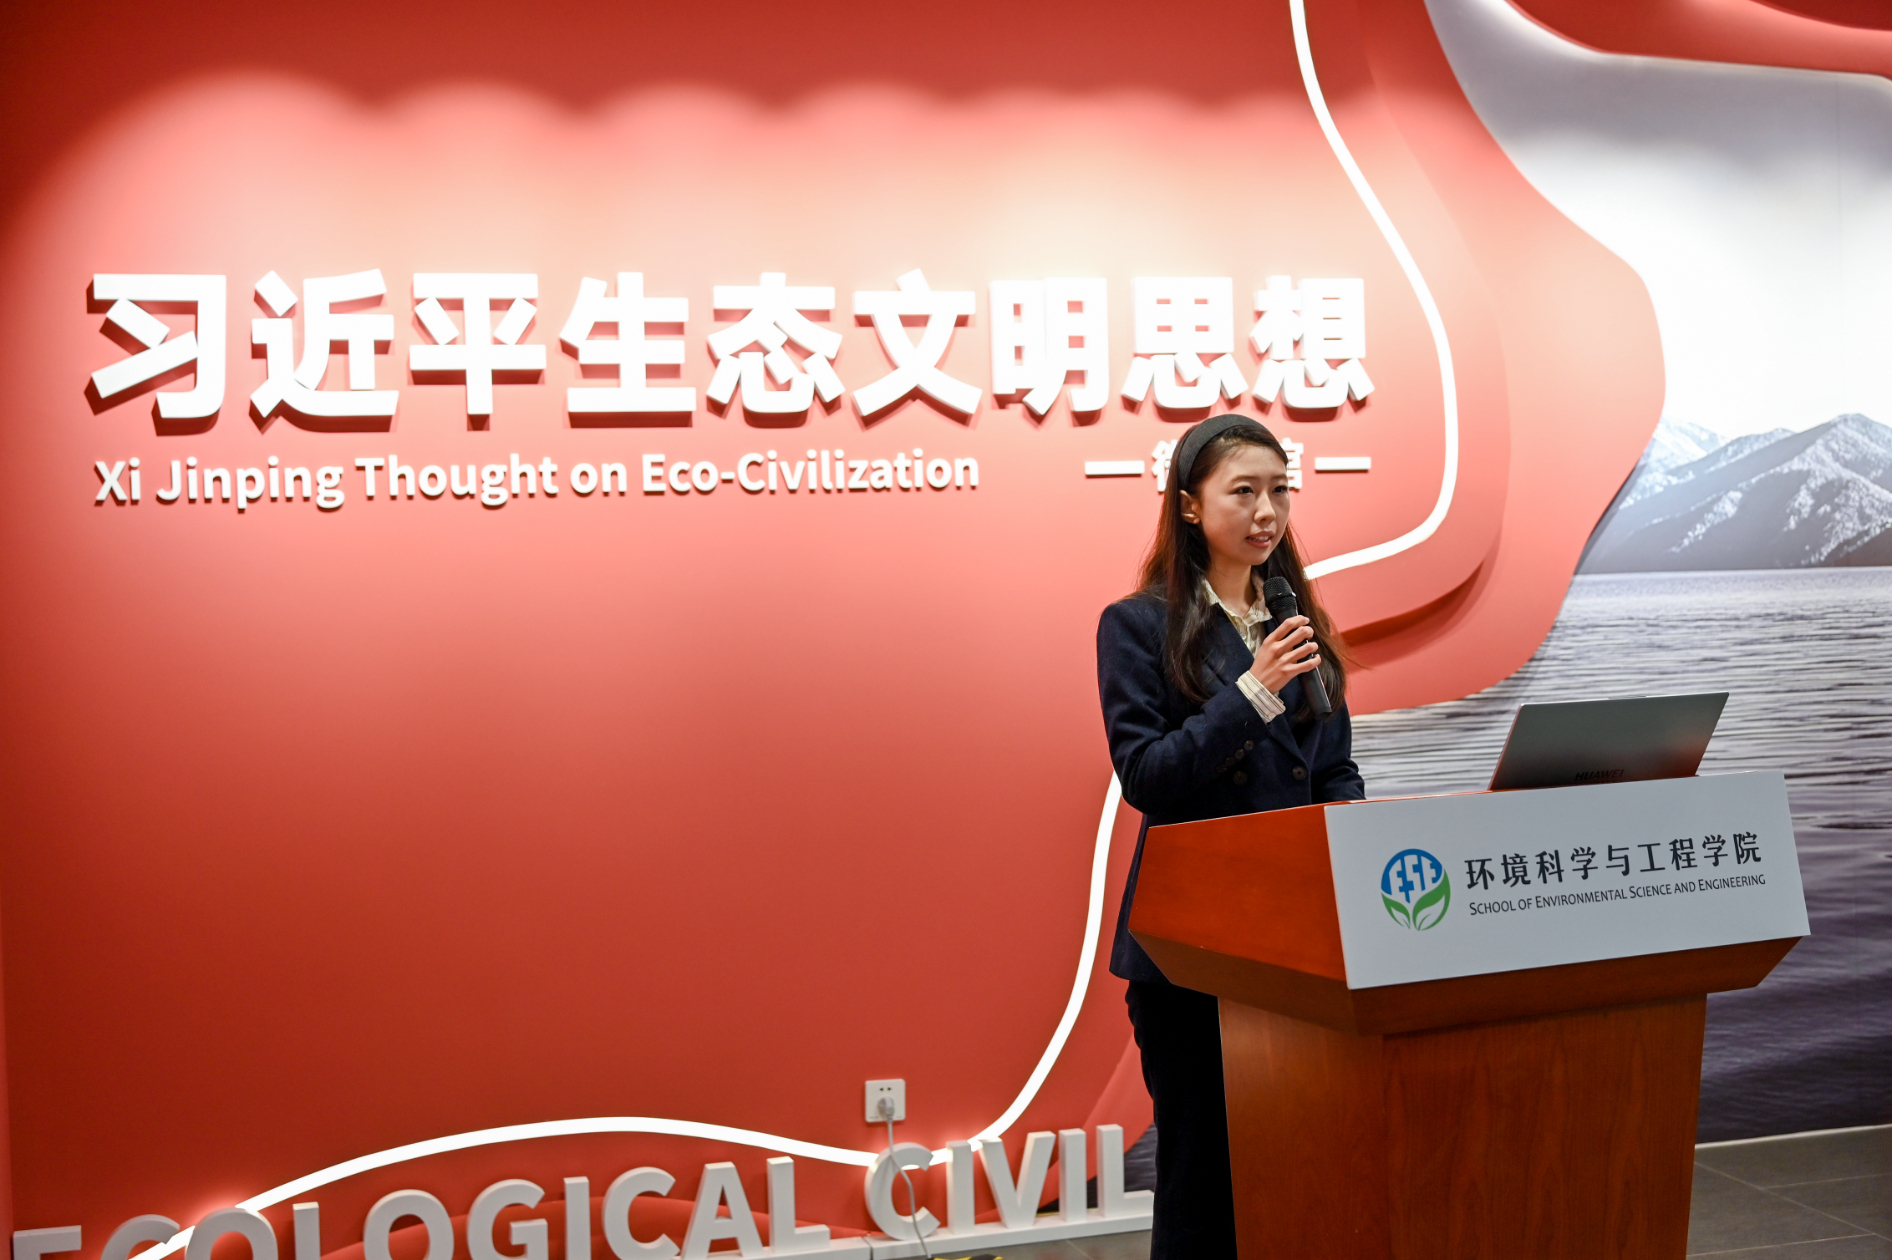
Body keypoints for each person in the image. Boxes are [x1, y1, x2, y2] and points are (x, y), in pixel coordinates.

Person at [1095, 413, 1364, 1259]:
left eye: (1280, 490)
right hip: (1194, 947)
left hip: (1300, 938)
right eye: (1243, 491)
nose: (1267, 512)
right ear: (1189, 505)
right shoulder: (1137, 625)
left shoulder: (1295, 618)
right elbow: (1147, 776)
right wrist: (1252, 693)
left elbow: (1333, 769)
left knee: (1297, 1161)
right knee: (1204, 1175)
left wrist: (1352, 836)